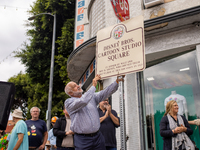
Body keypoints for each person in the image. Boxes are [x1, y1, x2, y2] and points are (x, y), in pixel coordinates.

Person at [64, 74, 124, 150]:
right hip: (83, 140)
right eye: (74, 86)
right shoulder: (69, 102)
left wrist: (116, 82)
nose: (78, 86)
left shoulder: (90, 97)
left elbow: (104, 93)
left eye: (76, 84)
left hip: (98, 137)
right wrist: (93, 86)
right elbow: (83, 101)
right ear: (70, 93)